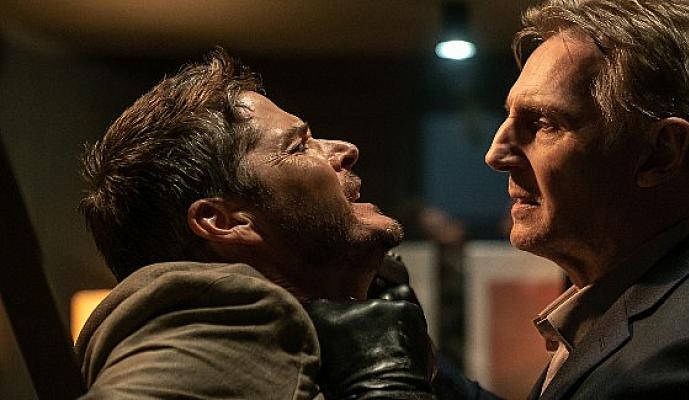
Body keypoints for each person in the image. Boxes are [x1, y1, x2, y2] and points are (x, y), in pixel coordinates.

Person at [480, 0, 689, 399]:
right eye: (509, 117)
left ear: (660, 153)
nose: (495, 155)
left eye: (543, 123)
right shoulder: (654, 319)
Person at [75, 48, 434, 399]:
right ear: (224, 221)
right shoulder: (220, 317)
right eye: (298, 147)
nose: (346, 149)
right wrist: (389, 386)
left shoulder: (290, 330)